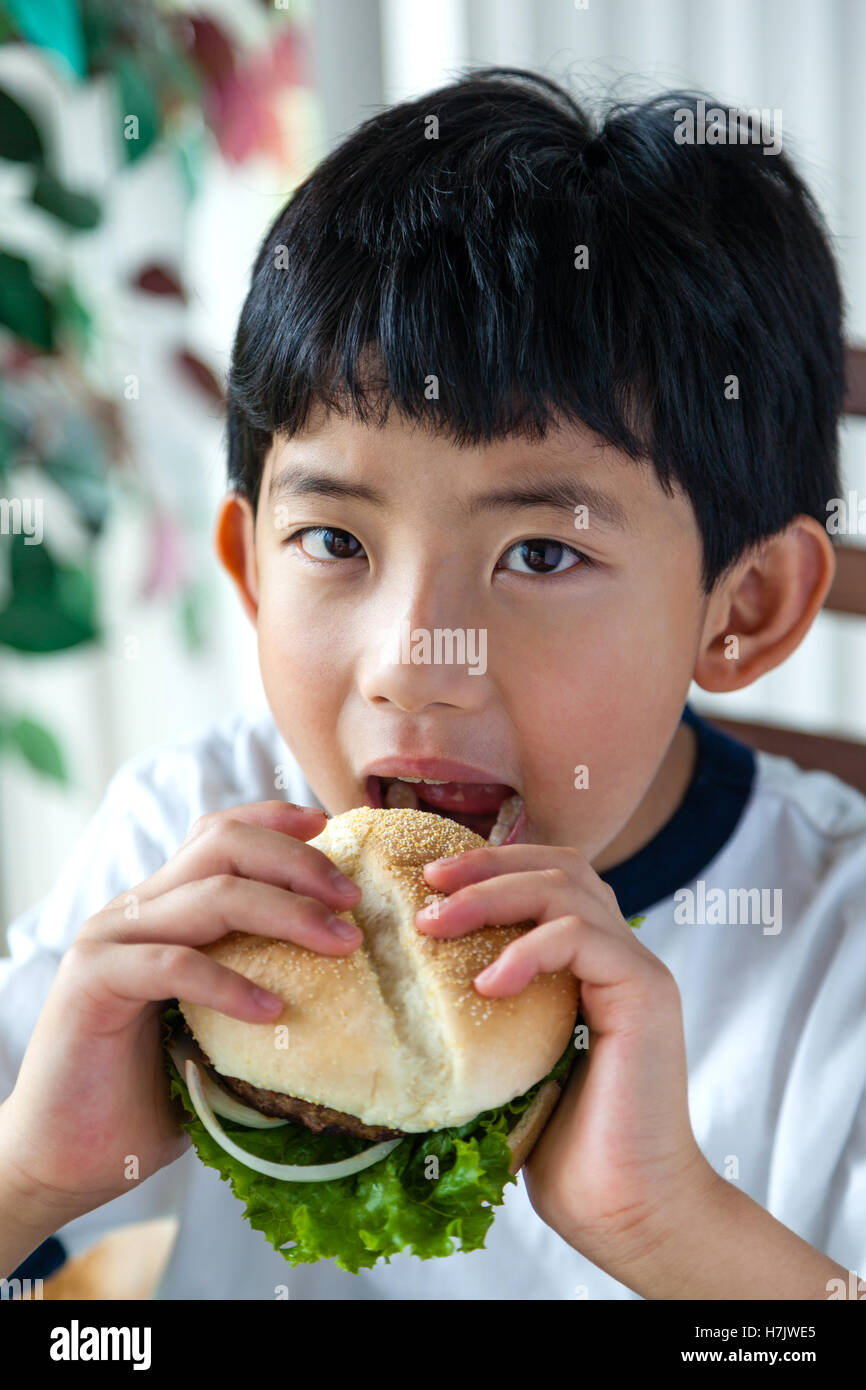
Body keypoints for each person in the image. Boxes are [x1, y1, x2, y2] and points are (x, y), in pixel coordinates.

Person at [1, 67, 864, 1301]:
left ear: (746, 609)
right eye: (336, 542)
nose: (414, 662)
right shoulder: (185, 853)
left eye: (543, 552)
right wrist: (31, 1171)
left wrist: (675, 1230)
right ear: (249, 567)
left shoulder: (835, 952)